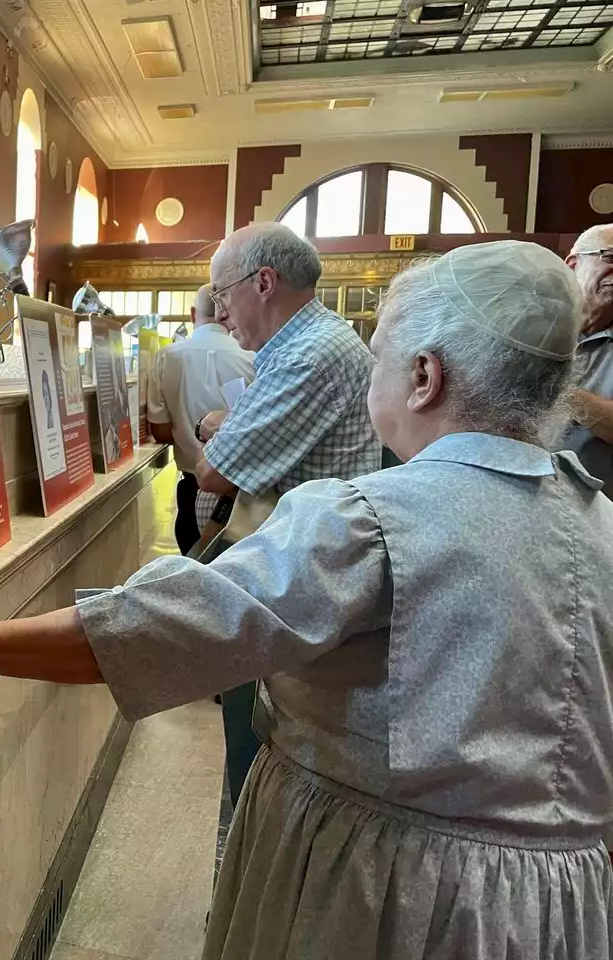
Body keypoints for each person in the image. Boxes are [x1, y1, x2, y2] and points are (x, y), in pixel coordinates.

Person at [0, 240, 613, 960]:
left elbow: (174, 625)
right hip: (560, 906)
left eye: (380, 358)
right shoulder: (602, 519)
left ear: (423, 376)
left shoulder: (368, 520)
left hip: (383, 887)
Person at [195, 223, 381, 802]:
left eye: (222, 294)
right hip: (290, 564)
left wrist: (212, 427)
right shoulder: (299, 347)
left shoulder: (310, 354)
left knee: (261, 753)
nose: (221, 313)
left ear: (264, 282)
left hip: (298, 577)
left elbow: (215, 471)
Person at [146, 285, 255, 553]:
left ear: (192, 312)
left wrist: (187, 432)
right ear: (225, 314)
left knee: (192, 567)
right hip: (241, 493)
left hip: (192, 485)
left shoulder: (166, 356)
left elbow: (159, 431)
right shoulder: (253, 358)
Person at [561, 222, 613, 485]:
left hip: (599, 513)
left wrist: (557, 390)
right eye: (610, 257)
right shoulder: (531, 325)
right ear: (573, 264)